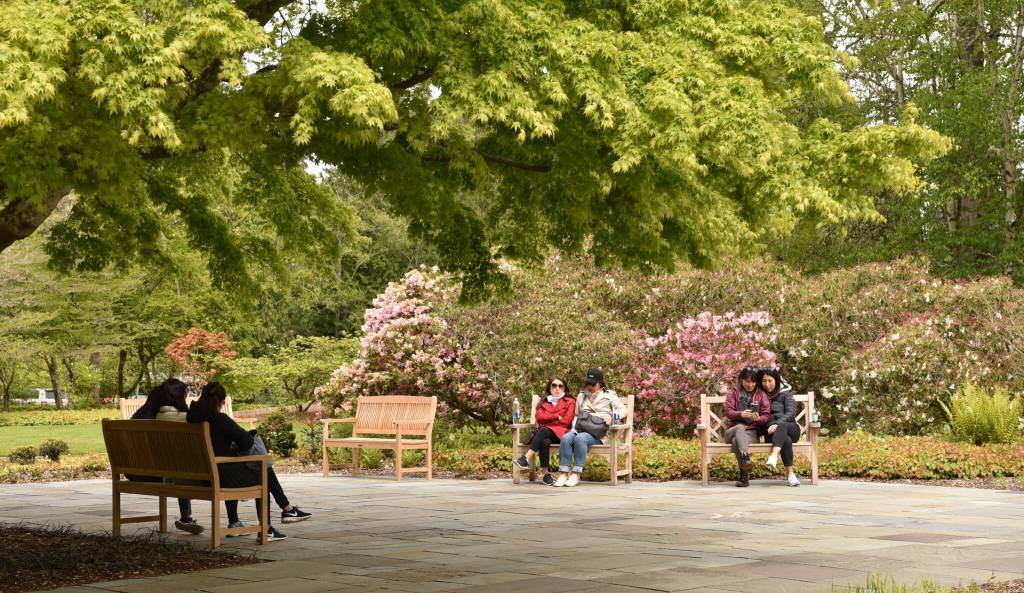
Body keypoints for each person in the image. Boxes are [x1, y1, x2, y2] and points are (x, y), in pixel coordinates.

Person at [186, 382, 312, 542]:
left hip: (202, 476)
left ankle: (236, 522)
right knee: (262, 469)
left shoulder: (191, 418)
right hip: (221, 476)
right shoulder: (219, 419)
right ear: (220, 402)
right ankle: (271, 525)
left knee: (247, 467)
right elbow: (246, 441)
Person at [128, 379, 203, 535]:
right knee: (180, 467)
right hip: (158, 475)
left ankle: (186, 518)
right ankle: (186, 517)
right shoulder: (178, 419)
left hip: (133, 473)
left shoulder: (139, 417)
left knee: (175, 466)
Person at [554, 368, 626, 488]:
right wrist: (573, 430)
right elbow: (577, 415)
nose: (589, 386)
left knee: (580, 439)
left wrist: (611, 416)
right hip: (581, 429)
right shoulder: (581, 396)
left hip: (599, 433)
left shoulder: (609, 395)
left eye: (593, 384)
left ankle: (576, 474)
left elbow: (624, 410)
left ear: (600, 384)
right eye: (588, 383)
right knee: (566, 438)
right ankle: (564, 474)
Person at [513, 376, 576, 485]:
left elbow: (567, 421)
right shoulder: (544, 402)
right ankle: (546, 474)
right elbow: (539, 418)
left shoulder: (570, 401)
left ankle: (525, 458)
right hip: (546, 435)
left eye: (560, 386)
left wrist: (549, 420)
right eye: (554, 385)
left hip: (562, 435)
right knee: (544, 440)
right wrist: (557, 417)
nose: (557, 388)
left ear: (564, 388)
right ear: (550, 388)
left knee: (543, 430)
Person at [723, 366, 770, 487]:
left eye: (753, 381)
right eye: (747, 381)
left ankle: (744, 477)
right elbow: (728, 412)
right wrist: (740, 414)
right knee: (739, 428)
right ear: (741, 380)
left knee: (736, 442)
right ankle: (745, 458)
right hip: (732, 430)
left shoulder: (761, 394)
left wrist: (758, 418)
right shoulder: (733, 392)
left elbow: (766, 415)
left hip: (751, 433)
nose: (750, 384)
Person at [757, 367, 801, 487]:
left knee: (782, 427)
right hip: (772, 433)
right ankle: (791, 475)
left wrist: (777, 424)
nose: (767, 384)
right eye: (764, 381)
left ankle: (774, 455)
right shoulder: (759, 397)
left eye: (770, 381)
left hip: (790, 428)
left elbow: (791, 413)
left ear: (776, 380)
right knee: (785, 440)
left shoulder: (786, 394)